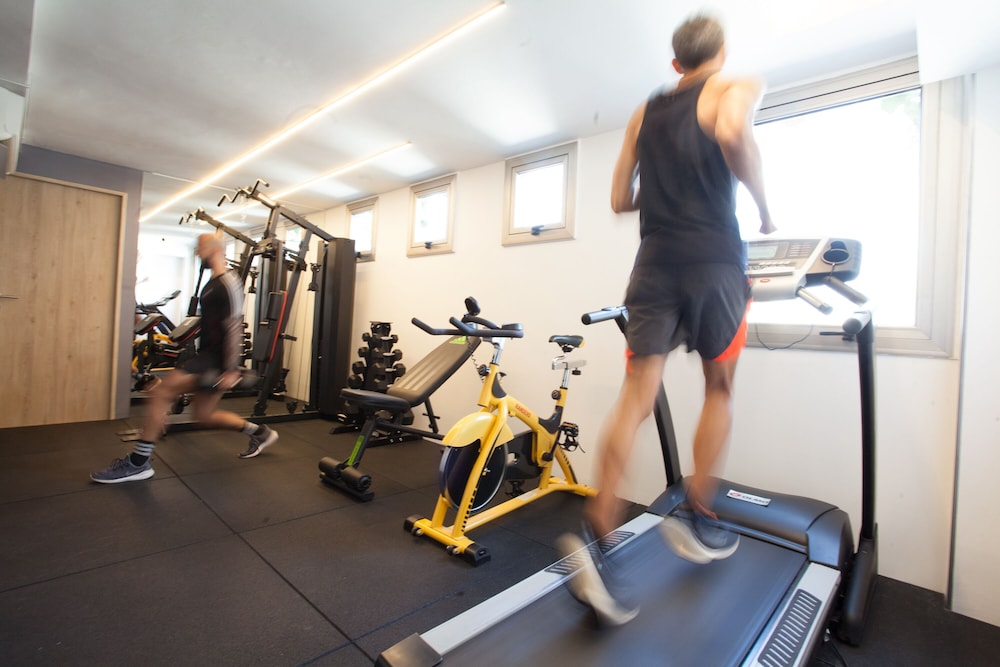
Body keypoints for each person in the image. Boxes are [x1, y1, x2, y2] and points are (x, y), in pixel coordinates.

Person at [556, 13, 775, 625]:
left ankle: (599, 535)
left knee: (635, 397)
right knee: (719, 387)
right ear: (720, 53)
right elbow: (732, 133)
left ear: (675, 64)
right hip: (715, 262)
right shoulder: (734, 85)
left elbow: (618, 198)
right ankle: (699, 515)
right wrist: (763, 208)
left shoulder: (643, 112)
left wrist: (662, 194)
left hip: (653, 266)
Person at [92, 232, 278, 483]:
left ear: (214, 249)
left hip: (215, 359)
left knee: (161, 393)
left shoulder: (228, 282)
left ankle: (139, 462)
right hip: (207, 355)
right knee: (204, 415)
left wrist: (231, 368)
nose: (197, 252)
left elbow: (234, 324)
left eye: (200, 247)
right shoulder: (211, 283)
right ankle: (259, 433)